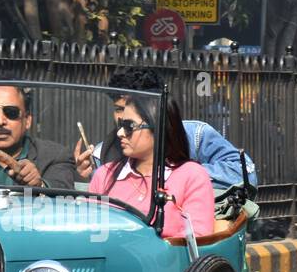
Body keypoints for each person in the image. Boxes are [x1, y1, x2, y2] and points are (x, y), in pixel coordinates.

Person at [74, 68, 257, 188]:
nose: (123, 118)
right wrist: (88, 179)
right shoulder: (101, 154)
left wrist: (176, 176)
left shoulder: (195, 136)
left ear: (154, 108)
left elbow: (244, 173)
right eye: (118, 109)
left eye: (130, 109)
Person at [85, 83, 215, 240]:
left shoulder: (192, 176)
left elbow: (198, 242)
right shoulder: (104, 175)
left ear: (158, 126)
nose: (120, 133)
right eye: (121, 125)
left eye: (129, 126)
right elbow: (89, 234)